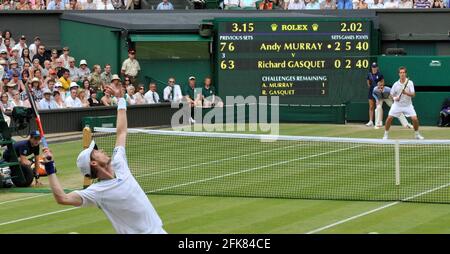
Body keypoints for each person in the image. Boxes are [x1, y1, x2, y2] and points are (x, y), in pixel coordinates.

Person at [42, 82, 165, 234]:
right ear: (93, 162)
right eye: (97, 151)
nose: (102, 151)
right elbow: (63, 198)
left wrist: (120, 99)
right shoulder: (97, 191)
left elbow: (121, 132)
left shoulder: (119, 164)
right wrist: (49, 166)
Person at [383, 67, 424, 140]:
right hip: (397, 105)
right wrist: (395, 98)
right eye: (401, 73)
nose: (402, 74)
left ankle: (417, 134)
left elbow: (413, 94)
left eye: (403, 72)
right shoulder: (395, 84)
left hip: (408, 105)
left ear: (406, 74)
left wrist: (406, 93)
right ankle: (385, 135)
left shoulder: (410, 83)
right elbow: (391, 95)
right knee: (389, 118)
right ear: (399, 74)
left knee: (415, 119)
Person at [366, 62, 384, 127]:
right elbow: (368, 83)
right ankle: (371, 121)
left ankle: (380, 121)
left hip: (378, 92)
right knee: (371, 106)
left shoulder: (380, 74)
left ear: (377, 68)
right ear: (371, 68)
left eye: (375, 67)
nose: (374, 68)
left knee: (379, 106)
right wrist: (371, 88)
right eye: (373, 67)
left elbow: (382, 82)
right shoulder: (369, 74)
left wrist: (379, 88)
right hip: (371, 92)